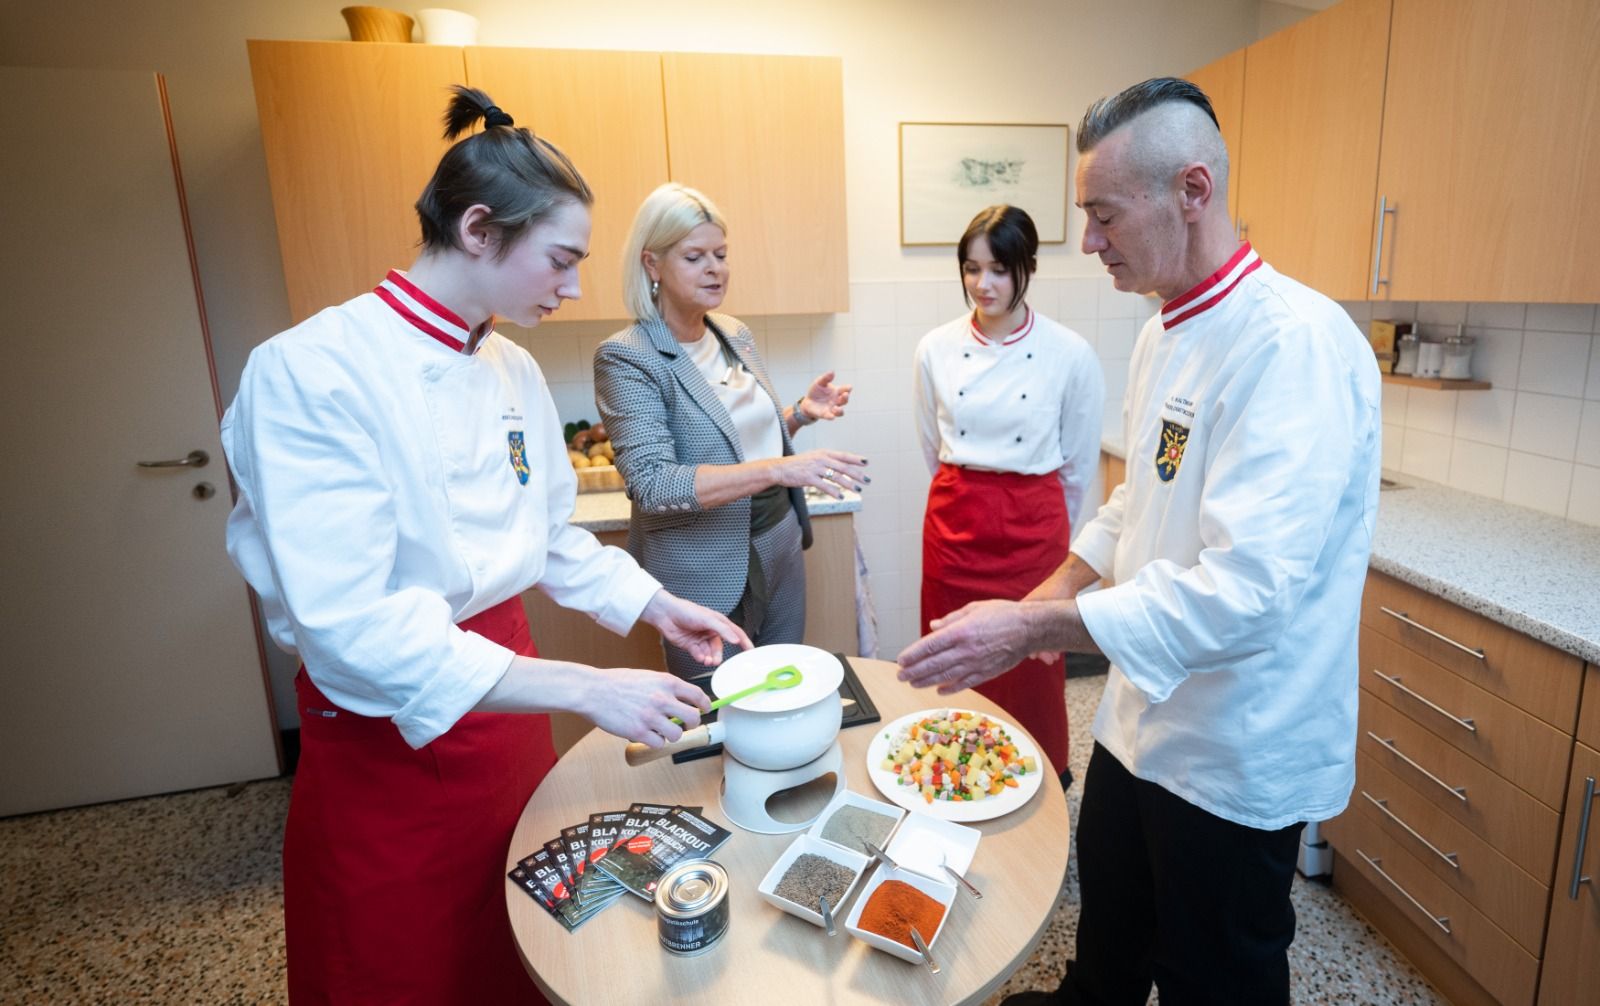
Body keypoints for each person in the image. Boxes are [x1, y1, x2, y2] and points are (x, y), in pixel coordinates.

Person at [221, 87, 748, 1005]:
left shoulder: (506, 365)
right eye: (561, 259)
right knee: (399, 969)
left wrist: (655, 604)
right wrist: (590, 687)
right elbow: (354, 625)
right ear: (477, 229)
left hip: (507, 709)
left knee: (523, 945)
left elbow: (546, 537)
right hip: (387, 741)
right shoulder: (309, 371)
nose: (576, 285)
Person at [898, 78, 1381, 1005]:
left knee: (1215, 972)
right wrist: (1038, 600)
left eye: (1104, 214)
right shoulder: (1169, 328)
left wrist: (1029, 634)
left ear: (1191, 191)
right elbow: (1132, 509)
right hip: (1141, 718)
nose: (1087, 241)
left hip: (1235, 743)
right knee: (1112, 924)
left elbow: (1247, 593)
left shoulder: (1293, 346)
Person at [593, 183, 868, 678]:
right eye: (695, 256)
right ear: (652, 264)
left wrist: (798, 415)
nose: (715, 268)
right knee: (720, 706)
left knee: (783, 683)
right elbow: (653, 484)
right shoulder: (627, 355)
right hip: (702, 564)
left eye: (721, 254)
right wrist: (781, 467)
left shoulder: (733, 333)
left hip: (777, 540)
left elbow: (736, 440)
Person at [913, 204, 1102, 787]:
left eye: (998, 269)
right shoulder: (935, 348)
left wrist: (1051, 538)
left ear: (1028, 268)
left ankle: (1039, 778)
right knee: (953, 654)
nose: (982, 284)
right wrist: (968, 495)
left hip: (1033, 529)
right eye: (971, 269)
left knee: (1033, 663)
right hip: (955, 522)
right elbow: (931, 443)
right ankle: (951, 776)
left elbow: (1078, 463)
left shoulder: (1070, 352)